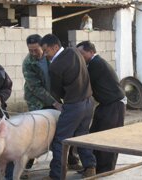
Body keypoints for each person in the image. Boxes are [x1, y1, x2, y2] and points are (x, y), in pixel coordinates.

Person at [40, 34, 96, 180]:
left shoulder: (56, 66)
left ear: (55, 47)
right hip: (89, 102)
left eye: (46, 51)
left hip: (74, 105)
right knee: (82, 136)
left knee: (60, 140)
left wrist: (59, 101)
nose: (45, 55)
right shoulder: (75, 51)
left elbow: (57, 91)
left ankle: (56, 175)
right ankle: (90, 167)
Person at [77, 41, 126, 174]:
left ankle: (105, 171)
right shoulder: (92, 64)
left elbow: (83, 81)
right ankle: (94, 167)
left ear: (91, 52)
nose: (80, 57)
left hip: (114, 105)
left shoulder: (96, 64)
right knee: (95, 135)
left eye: (82, 54)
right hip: (105, 105)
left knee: (108, 139)